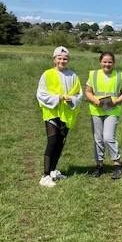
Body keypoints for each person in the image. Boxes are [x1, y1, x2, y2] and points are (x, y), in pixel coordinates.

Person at [36, 46, 83, 187]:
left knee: (60, 142)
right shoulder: (47, 74)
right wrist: (58, 98)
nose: (62, 60)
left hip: (66, 114)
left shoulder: (73, 75)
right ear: (54, 59)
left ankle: (53, 171)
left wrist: (72, 100)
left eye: (65, 58)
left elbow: (79, 94)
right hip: (52, 112)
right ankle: (45, 175)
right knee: (52, 141)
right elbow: (41, 94)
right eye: (60, 58)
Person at [85, 52, 122, 179]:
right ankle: (99, 165)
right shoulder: (93, 75)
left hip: (112, 110)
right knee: (98, 139)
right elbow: (88, 91)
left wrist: (117, 101)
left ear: (114, 63)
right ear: (100, 62)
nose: (107, 64)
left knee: (108, 137)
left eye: (110, 62)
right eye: (104, 61)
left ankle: (117, 164)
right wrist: (95, 100)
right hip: (96, 110)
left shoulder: (120, 75)